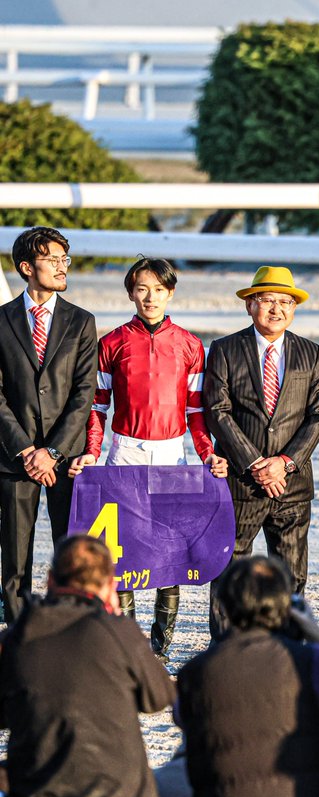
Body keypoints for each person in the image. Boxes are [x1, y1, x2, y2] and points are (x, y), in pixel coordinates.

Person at [68, 257, 229, 662]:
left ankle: (161, 647)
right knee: (122, 552)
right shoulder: (111, 343)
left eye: (158, 289)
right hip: (124, 452)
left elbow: (196, 411)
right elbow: (97, 407)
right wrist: (91, 452)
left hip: (172, 453)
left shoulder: (190, 345)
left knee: (169, 553)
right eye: (142, 288)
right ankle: (127, 644)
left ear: (170, 293)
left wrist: (207, 454)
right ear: (130, 293)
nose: (150, 297)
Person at [203, 266, 319, 635]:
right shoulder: (225, 349)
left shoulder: (310, 352)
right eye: (267, 300)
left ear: (294, 308)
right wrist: (257, 463)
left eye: (285, 302)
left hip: (291, 486)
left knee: (292, 575)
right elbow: (218, 411)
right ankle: (226, 650)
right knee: (228, 570)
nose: (277, 309)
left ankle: (287, 649)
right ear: (250, 305)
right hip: (240, 483)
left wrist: (284, 463)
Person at [0, 536, 175, 797]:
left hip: (39, 791)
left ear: (50, 581)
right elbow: (158, 697)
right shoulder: (119, 632)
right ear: (110, 586)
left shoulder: (15, 639)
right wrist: (119, 623)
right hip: (120, 792)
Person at [175, 555, 319, 797]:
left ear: (224, 608)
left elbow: (182, 718)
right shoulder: (313, 661)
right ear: (286, 607)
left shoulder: (195, 671)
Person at [0, 226, 97, 623]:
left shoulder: (81, 321)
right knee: (14, 557)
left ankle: (67, 628)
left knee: (70, 552)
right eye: (52, 259)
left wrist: (52, 451)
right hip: (14, 457)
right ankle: (18, 633)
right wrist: (26, 450)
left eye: (64, 259)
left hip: (66, 456)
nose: (62, 267)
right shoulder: (2, 320)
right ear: (27, 267)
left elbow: (84, 393)